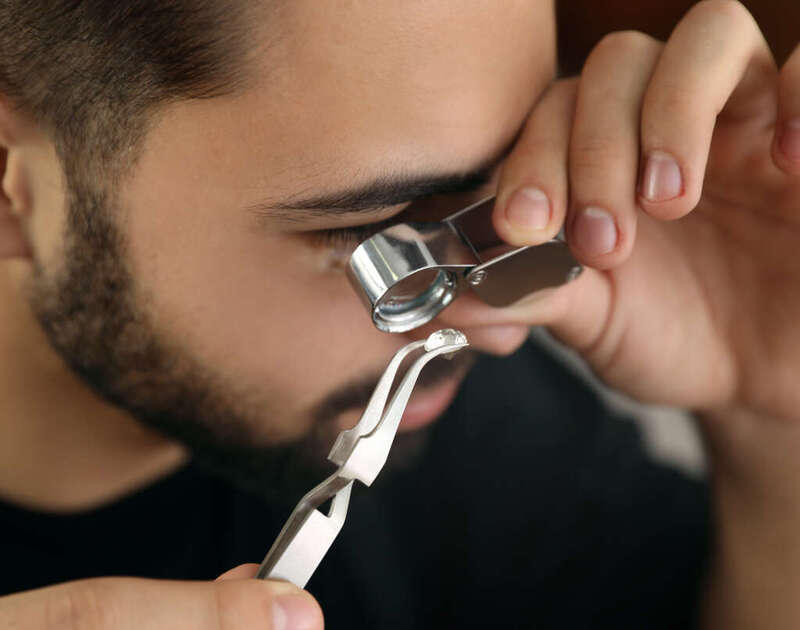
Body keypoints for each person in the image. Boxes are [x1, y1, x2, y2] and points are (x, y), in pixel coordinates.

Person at [0, 0, 797, 627]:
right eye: (379, 241)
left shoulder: (484, 447)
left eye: (504, 191)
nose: (487, 317)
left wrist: (769, 421)